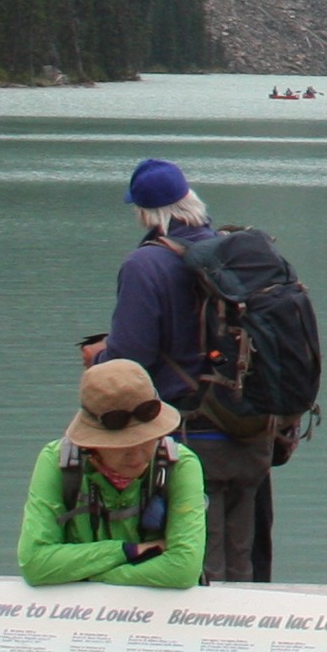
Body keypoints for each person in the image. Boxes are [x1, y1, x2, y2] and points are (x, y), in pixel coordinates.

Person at [99, 158, 277, 587]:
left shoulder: (146, 266)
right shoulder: (237, 254)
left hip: (191, 437)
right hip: (253, 433)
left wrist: (98, 361)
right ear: (190, 202)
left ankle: (208, 650)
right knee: (244, 562)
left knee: (198, 563)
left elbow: (130, 362)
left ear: (145, 213)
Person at [18, 360, 207, 589]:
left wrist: (91, 576)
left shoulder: (181, 464)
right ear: (92, 443)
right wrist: (127, 551)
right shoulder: (57, 462)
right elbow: (34, 563)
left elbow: (183, 569)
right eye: (121, 445)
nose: (137, 455)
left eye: (147, 439)